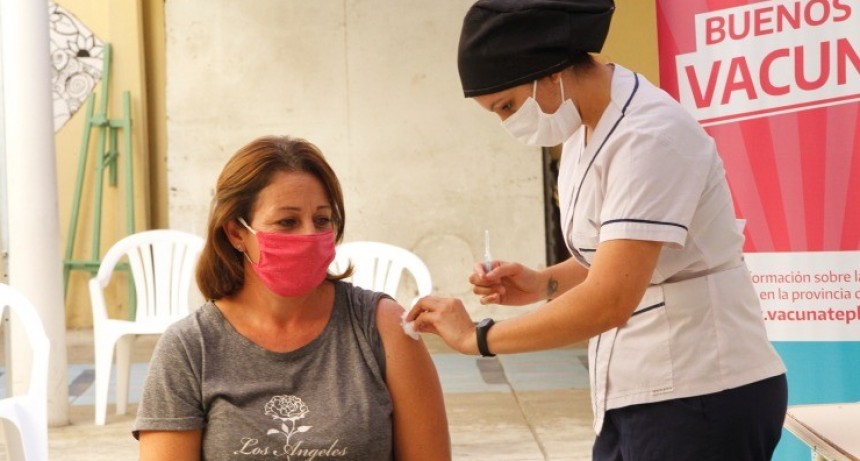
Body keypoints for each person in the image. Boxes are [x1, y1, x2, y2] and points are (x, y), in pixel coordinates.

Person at [406, 1, 787, 460]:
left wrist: (477, 338)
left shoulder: (648, 135)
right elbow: (618, 255)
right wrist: (541, 282)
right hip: (638, 392)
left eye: (507, 105)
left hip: (701, 392)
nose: (508, 123)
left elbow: (610, 298)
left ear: (549, 71)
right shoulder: (584, 128)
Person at [134, 135, 451, 461]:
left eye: (322, 220)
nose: (309, 236)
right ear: (237, 233)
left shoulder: (382, 328)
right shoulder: (189, 348)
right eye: (287, 222)